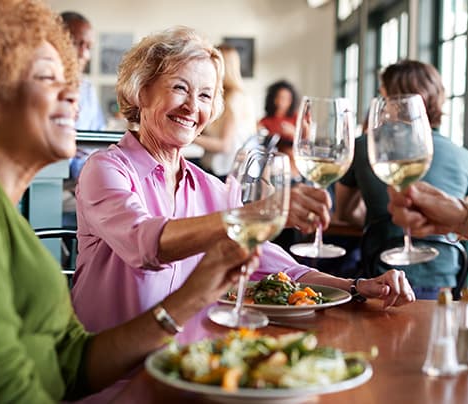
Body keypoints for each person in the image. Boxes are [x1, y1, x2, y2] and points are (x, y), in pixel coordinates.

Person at [0, 2, 255, 402]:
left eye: (68, 77)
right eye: (47, 77)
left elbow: (73, 362)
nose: (71, 91)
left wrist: (193, 297)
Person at [71, 26, 415, 336]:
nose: (193, 106)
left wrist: (354, 286)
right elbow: (145, 244)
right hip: (111, 372)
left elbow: (272, 264)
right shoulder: (105, 169)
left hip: (191, 365)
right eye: (180, 88)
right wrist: (261, 212)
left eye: (205, 95)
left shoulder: (214, 189)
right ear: (140, 93)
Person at [335, 60, 468, 299]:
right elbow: (466, 230)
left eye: (382, 94)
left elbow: (345, 212)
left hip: (383, 281)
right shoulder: (464, 156)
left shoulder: (365, 147)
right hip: (447, 284)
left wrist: (385, 223)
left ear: (392, 99)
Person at [193, 44, 257, 179]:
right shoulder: (220, 95)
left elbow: (224, 145)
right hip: (215, 168)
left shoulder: (235, 98)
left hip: (227, 172)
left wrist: (188, 137)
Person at [60, 11, 105, 131]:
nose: (84, 54)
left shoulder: (88, 89)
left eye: (88, 47)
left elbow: (98, 132)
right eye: (76, 43)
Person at [257, 79, 300, 180]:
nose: (282, 102)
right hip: (272, 164)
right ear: (273, 99)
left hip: (293, 164)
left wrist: (293, 133)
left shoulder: (296, 118)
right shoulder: (264, 121)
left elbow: (306, 144)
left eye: (286, 99)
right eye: (280, 97)